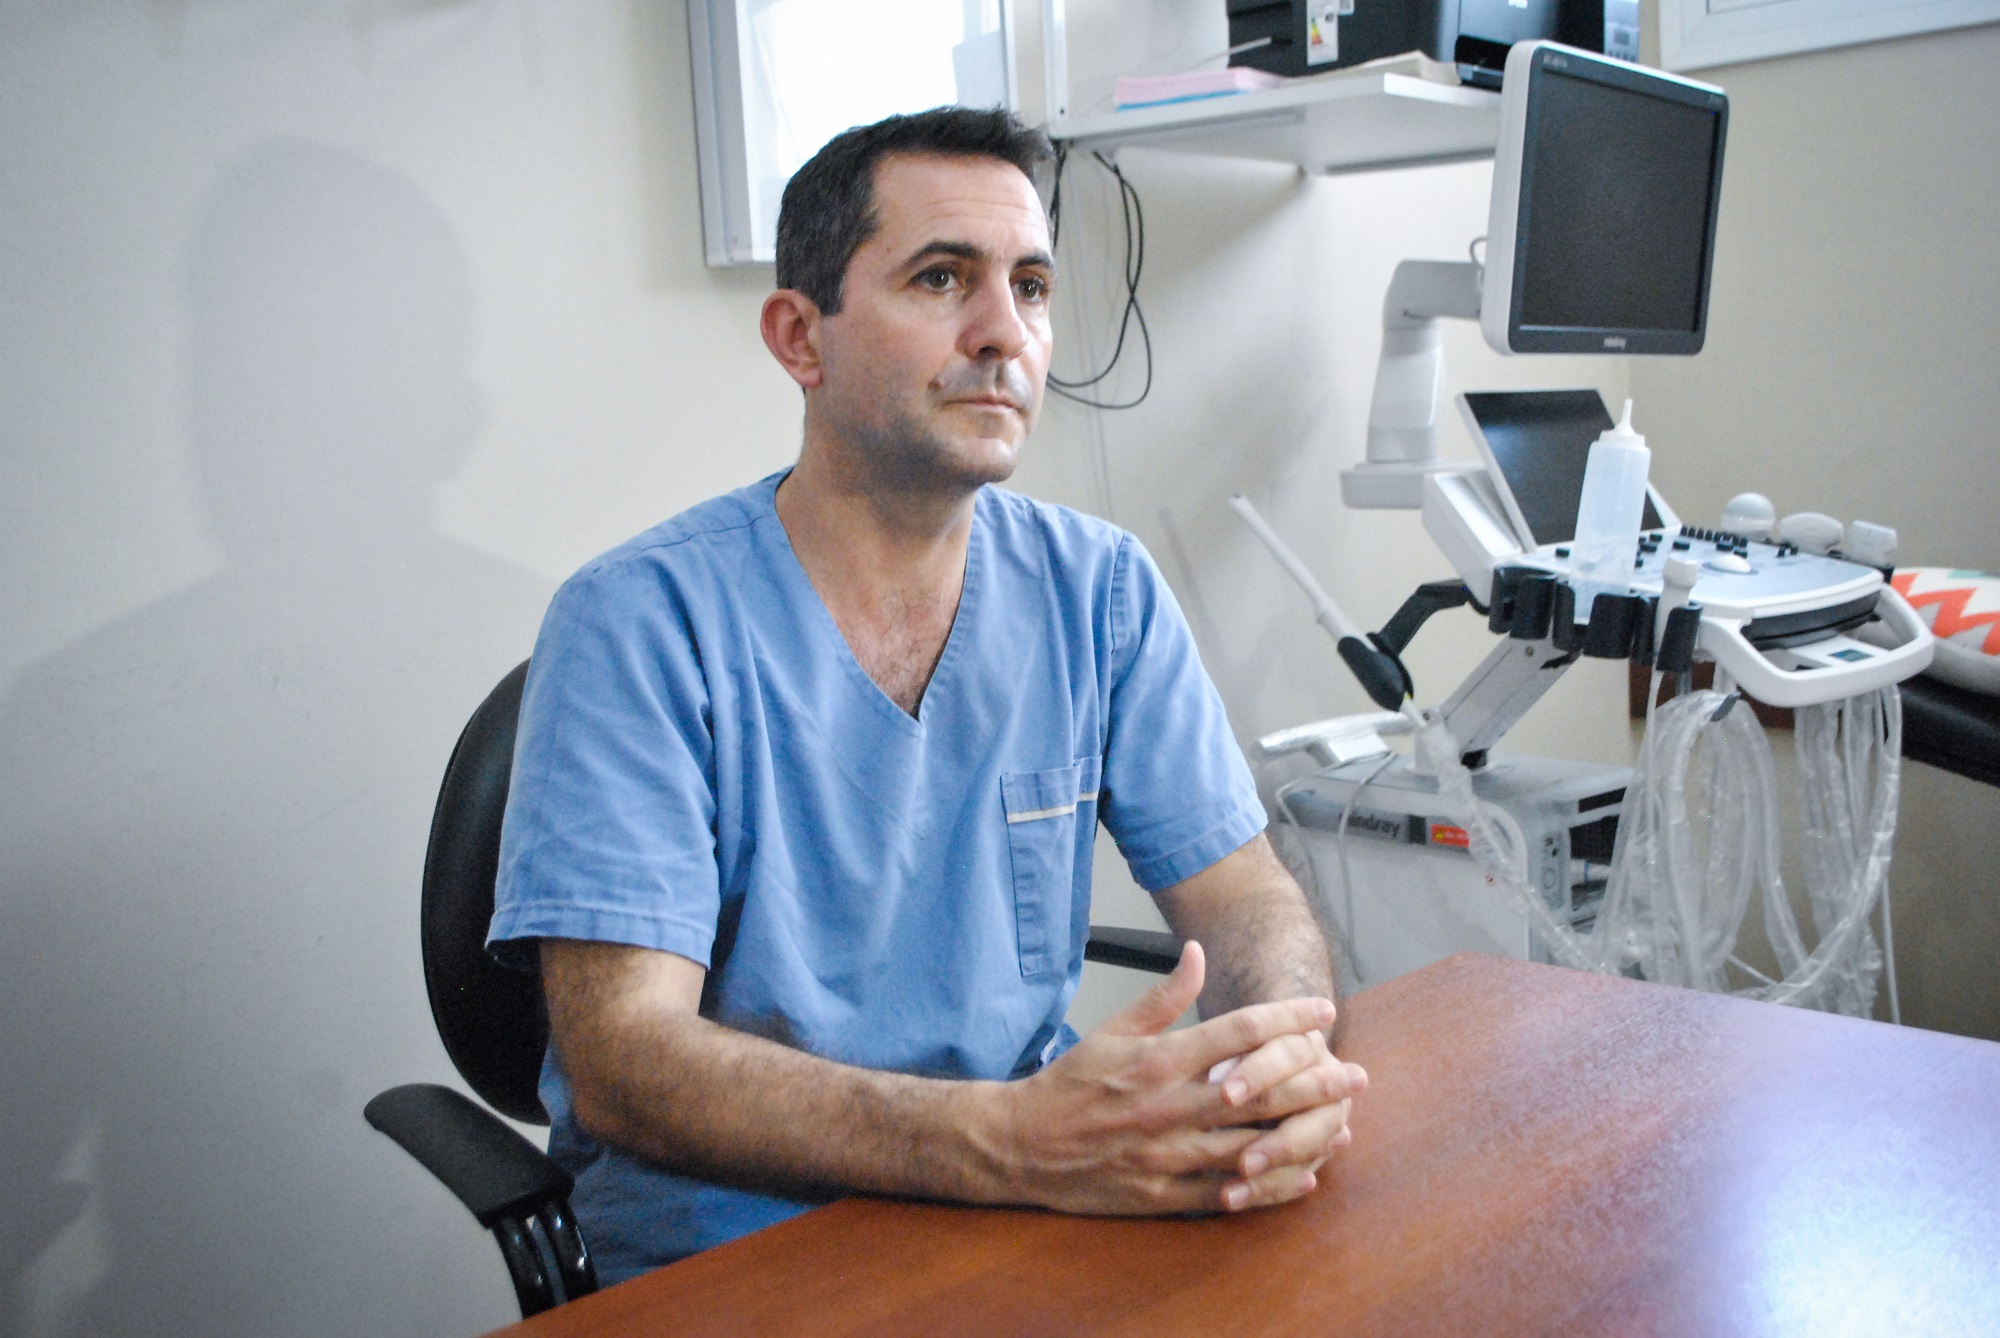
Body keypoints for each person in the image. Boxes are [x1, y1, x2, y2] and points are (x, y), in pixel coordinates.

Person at [488, 107, 1367, 1285]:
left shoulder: (1098, 590)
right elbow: (627, 1064)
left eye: (1031, 287)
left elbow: (1246, 897)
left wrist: (1282, 1061)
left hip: (1036, 1210)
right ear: (800, 337)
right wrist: (1011, 1140)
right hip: (740, 1247)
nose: (1004, 333)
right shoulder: (639, 624)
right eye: (941, 278)